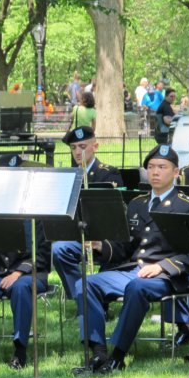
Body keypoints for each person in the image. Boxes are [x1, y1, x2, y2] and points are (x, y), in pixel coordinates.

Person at [72, 145, 189, 375]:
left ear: (176, 172)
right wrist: (102, 246)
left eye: (162, 167)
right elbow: (125, 247)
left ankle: (117, 356)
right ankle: (98, 352)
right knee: (84, 283)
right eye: (151, 167)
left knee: (137, 287)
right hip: (133, 270)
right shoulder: (137, 204)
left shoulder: (187, 206)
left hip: (167, 275)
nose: (155, 172)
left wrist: (160, 266)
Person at [52, 126, 124, 301]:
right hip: (77, 236)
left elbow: (115, 215)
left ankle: (97, 298)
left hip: (104, 238)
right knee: (58, 249)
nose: (77, 152)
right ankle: (80, 297)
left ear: (95, 146)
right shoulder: (69, 175)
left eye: (82, 147)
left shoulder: (108, 174)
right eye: (73, 147)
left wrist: (100, 241)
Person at [0, 219, 51, 369]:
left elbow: (42, 256)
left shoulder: (37, 219)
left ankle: (20, 351)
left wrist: (17, 273)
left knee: (21, 288)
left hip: (30, 274)